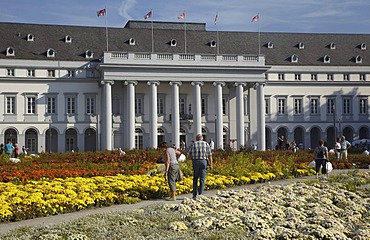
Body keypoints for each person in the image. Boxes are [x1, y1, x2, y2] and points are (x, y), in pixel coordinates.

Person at [187, 134, 213, 199]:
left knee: (195, 178)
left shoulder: (193, 144)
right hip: (203, 161)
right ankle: (201, 194)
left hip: (195, 161)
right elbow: (210, 155)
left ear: (196, 138)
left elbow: (189, 155)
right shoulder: (206, 144)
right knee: (202, 179)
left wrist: (192, 160)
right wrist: (211, 164)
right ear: (202, 138)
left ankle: (194, 195)